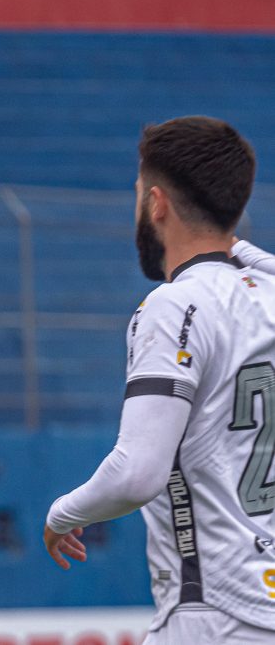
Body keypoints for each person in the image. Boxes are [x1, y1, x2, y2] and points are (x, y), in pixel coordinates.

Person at [43, 116, 275, 644]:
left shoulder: (174, 305)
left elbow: (137, 473)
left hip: (213, 613)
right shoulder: (267, 296)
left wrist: (60, 515)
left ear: (156, 203)